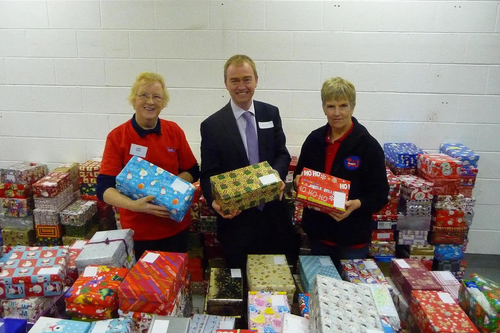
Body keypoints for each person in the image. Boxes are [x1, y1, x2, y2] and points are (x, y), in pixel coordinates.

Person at [200, 54, 295, 269]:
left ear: (256, 80)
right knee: (241, 284)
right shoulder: (212, 126)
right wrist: (214, 203)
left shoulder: (271, 113)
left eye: (247, 79)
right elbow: (208, 173)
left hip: (274, 218)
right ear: (225, 83)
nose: (241, 86)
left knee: (276, 283)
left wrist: (276, 175)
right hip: (236, 222)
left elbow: (282, 153)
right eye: (235, 80)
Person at [96, 72, 199, 259]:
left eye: (156, 97)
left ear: (163, 103)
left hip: (176, 228)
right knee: (143, 285)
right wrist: (135, 206)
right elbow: (104, 188)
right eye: (144, 95)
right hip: (139, 232)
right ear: (133, 99)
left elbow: (192, 170)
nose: (150, 102)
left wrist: (166, 187)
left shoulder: (173, 131)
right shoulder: (117, 137)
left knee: (174, 283)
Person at [293, 77, 389, 269]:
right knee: (319, 287)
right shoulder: (314, 140)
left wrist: (356, 204)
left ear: (352, 107)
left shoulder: (368, 145)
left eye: (343, 106)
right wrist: (299, 183)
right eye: (330, 106)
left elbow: (380, 195)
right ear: (323, 108)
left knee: (350, 293)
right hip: (318, 235)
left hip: (352, 238)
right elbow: (299, 175)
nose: (337, 113)